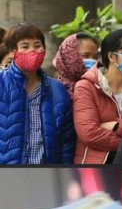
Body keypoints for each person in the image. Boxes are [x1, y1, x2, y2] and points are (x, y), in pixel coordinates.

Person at [0, 22, 75, 164]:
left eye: (37, 45)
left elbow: (66, 142)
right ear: (12, 51)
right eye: (25, 46)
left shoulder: (57, 90)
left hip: (46, 174)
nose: (32, 51)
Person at [72, 29, 122, 164]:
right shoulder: (86, 87)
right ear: (112, 56)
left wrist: (117, 126)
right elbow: (89, 133)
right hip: (94, 168)